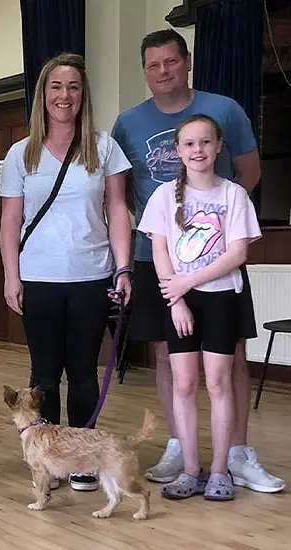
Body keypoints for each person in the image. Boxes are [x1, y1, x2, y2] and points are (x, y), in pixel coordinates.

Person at [112, 28, 285, 493]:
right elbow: (123, 189)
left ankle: (236, 455)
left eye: (171, 61)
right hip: (160, 260)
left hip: (218, 265)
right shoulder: (128, 123)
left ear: (186, 62)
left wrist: (218, 217)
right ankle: (179, 448)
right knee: (170, 357)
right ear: (145, 71)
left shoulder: (224, 108)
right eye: (153, 64)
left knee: (230, 360)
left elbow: (249, 170)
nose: (163, 71)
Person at [0, 52, 133, 493]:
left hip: (91, 275)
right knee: (43, 374)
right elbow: (10, 220)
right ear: (43, 95)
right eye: (56, 87)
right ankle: (49, 459)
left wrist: (123, 268)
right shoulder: (22, 153)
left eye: (73, 87)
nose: (64, 95)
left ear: (83, 96)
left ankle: (81, 458)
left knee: (81, 372)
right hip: (38, 277)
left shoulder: (104, 147)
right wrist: (10, 275)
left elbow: (116, 208)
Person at [136, 114, 261, 500]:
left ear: (218, 146)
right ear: (178, 151)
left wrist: (187, 282)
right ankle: (191, 469)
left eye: (205, 142)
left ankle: (221, 470)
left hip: (222, 298)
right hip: (179, 303)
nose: (198, 150)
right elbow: (159, 251)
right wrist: (177, 302)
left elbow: (237, 252)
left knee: (219, 384)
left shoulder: (233, 195)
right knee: (185, 384)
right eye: (189, 144)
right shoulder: (163, 197)